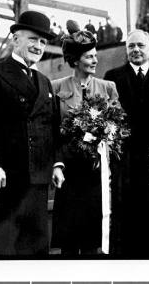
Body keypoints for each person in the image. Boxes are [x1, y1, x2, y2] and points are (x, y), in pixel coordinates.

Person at [0, 10, 64, 256]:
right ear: (15, 38)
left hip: (39, 183)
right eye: (33, 39)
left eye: (43, 42)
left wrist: (57, 164)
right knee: (6, 252)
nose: (38, 46)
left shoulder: (44, 82)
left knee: (37, 251)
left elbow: (52, 128)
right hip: (5, 181)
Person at [50, 30, 119, 256]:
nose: (95, 60)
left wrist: (106, 140)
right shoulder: (56, 87)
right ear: (75, 60)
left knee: (91, 240)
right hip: (68, 172)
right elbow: (50, 131)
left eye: (95, 55)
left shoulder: (108, 87)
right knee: (68, 241)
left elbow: (118, 126)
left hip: (96, 171)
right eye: (89, 56)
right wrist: (57, 163)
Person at [104, 29, 149, 257]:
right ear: (126, 50)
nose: (136, 50)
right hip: (124, 156)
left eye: (140, 45)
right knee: (123, 208)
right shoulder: (112, 76)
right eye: (131, 46)